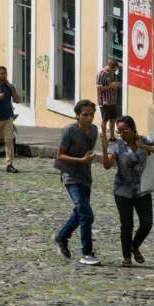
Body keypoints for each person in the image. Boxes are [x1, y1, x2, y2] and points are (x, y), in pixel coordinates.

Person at [100, 115, 154, 267]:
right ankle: (126, 257)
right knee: (127, 224)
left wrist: (146, 147)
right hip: (122, 191)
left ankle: (134, 245)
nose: (122, 133)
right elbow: (107, 165)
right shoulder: (117, 145)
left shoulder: (144, 140)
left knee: (147, 223)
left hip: (142, 190)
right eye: (119, 131)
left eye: (125, 130)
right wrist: (105, 150)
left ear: (133, 128)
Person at [53, 100, 100, 265]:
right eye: (85, 115)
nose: (89, 118)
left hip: (85, 177)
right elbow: (60, 155)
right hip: (70, 176)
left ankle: (61, 237)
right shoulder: (69, 131)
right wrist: (81, 160)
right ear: (78, 115)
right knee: (87, 214)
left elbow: (89, 153)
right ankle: (87, 253)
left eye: (91, 114)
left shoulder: (94, 130)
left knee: (79, 212)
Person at [96, 58, 122, 141]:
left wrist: (116, 86)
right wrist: (111, 86)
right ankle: (104, 136)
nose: (115, 71)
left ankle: (112, 136)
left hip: (112, 100)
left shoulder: (112, 74)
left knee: (113, 119)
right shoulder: (101, 74)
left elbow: (113, 83)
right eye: (114, 69)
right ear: (110, 67)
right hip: (105, 101)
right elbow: (99, 88)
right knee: (105, 120)